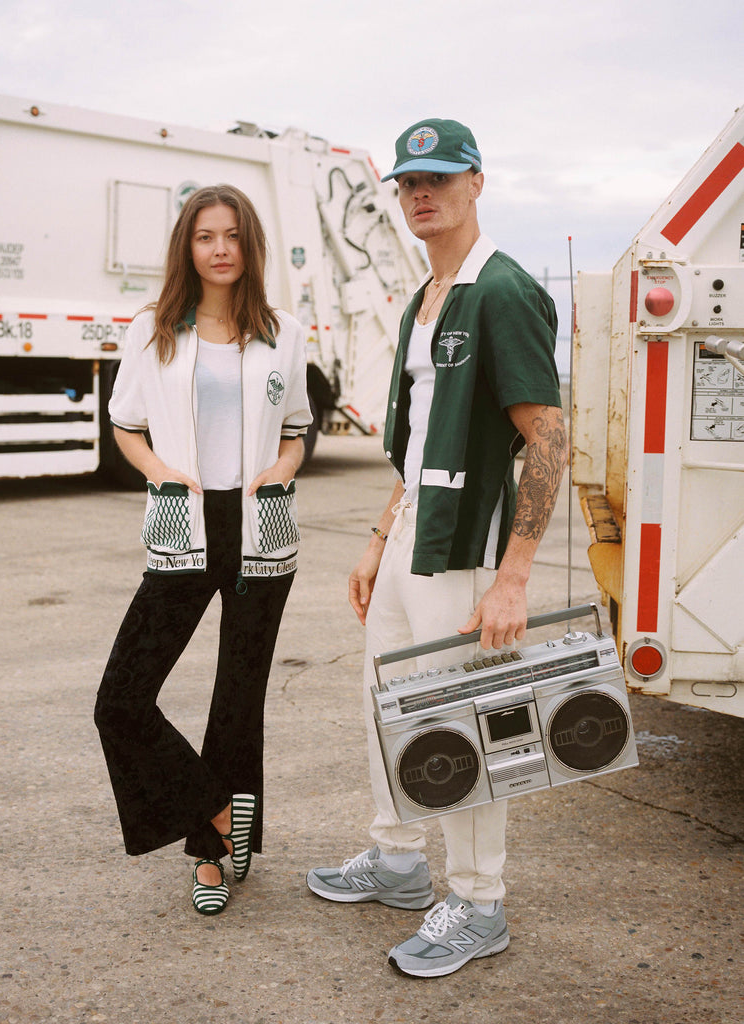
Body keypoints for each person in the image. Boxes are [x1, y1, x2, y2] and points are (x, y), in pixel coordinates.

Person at [306, 119, 568, 976]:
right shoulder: (427, 298)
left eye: (439, 178)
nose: (421, 193)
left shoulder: (501, 291)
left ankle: (479, 901)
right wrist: (380, 536)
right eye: (408, 181)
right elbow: (418, 441)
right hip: (414, 532)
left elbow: (549, 438)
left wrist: (512, 578)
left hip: (467, 549)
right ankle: (395, 859)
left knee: (459, 725)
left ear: (476, 182)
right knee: (390, 707)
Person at [94, 184, 311, 916]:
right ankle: (217, 812)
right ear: (186, 247)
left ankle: (212, 863)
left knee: (236, 699)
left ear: (249, 244)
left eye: (231, 235)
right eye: (204, 236)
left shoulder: (284, 330)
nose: (219, 248)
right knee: (120, 701)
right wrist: (160, 473)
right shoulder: (153, 329)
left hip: (258, 529)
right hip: (184, 524)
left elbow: (296, 427)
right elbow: (124, 424)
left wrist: (281, 471)